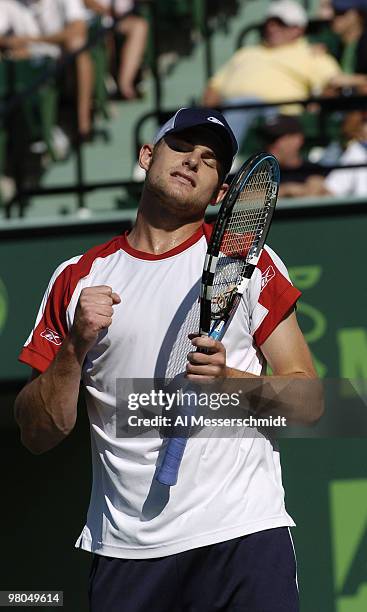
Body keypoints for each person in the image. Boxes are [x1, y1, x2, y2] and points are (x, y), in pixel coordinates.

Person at [14, 107, 320, 612]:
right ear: (147, 155)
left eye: (210, 160)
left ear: (221, 193)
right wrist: (74, 345)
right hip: (126, 555)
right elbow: (37, 432)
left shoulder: (248, 263)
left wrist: (228, 381)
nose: (193, 162)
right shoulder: (77, 278)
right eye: (181, 147)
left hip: (241, 536)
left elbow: (309, 402)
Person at [202, 0, 366, 152]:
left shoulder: (311, 53)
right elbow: (213, 88)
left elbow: (334, 84)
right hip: (231, 110)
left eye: (281, 23)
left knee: (243, 104)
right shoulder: (246, 52)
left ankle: (222, 155)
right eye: (270, 22)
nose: (272, 27)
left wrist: (317, 102)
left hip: (280, 115)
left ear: (298, 29)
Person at [7, 0, 95, 137]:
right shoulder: (10, 4)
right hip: (28, 60)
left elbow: (78, 29)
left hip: (59, 57)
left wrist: (34, 40)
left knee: (77, 47)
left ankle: (83, 121)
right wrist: (11, 43)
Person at [83, 0, 148, 99]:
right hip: (93, 21)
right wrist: (107, 11)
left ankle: (125, 84)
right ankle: (106, 84)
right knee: (106, 39)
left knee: (140, 26)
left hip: (119, 18)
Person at [259, 114, 328, 197]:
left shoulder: (315, 170)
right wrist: (286, 190)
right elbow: (242, 196)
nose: (272, 144)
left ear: (297, 139)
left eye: (276, 138)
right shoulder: (256, 172)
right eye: (268, 139)